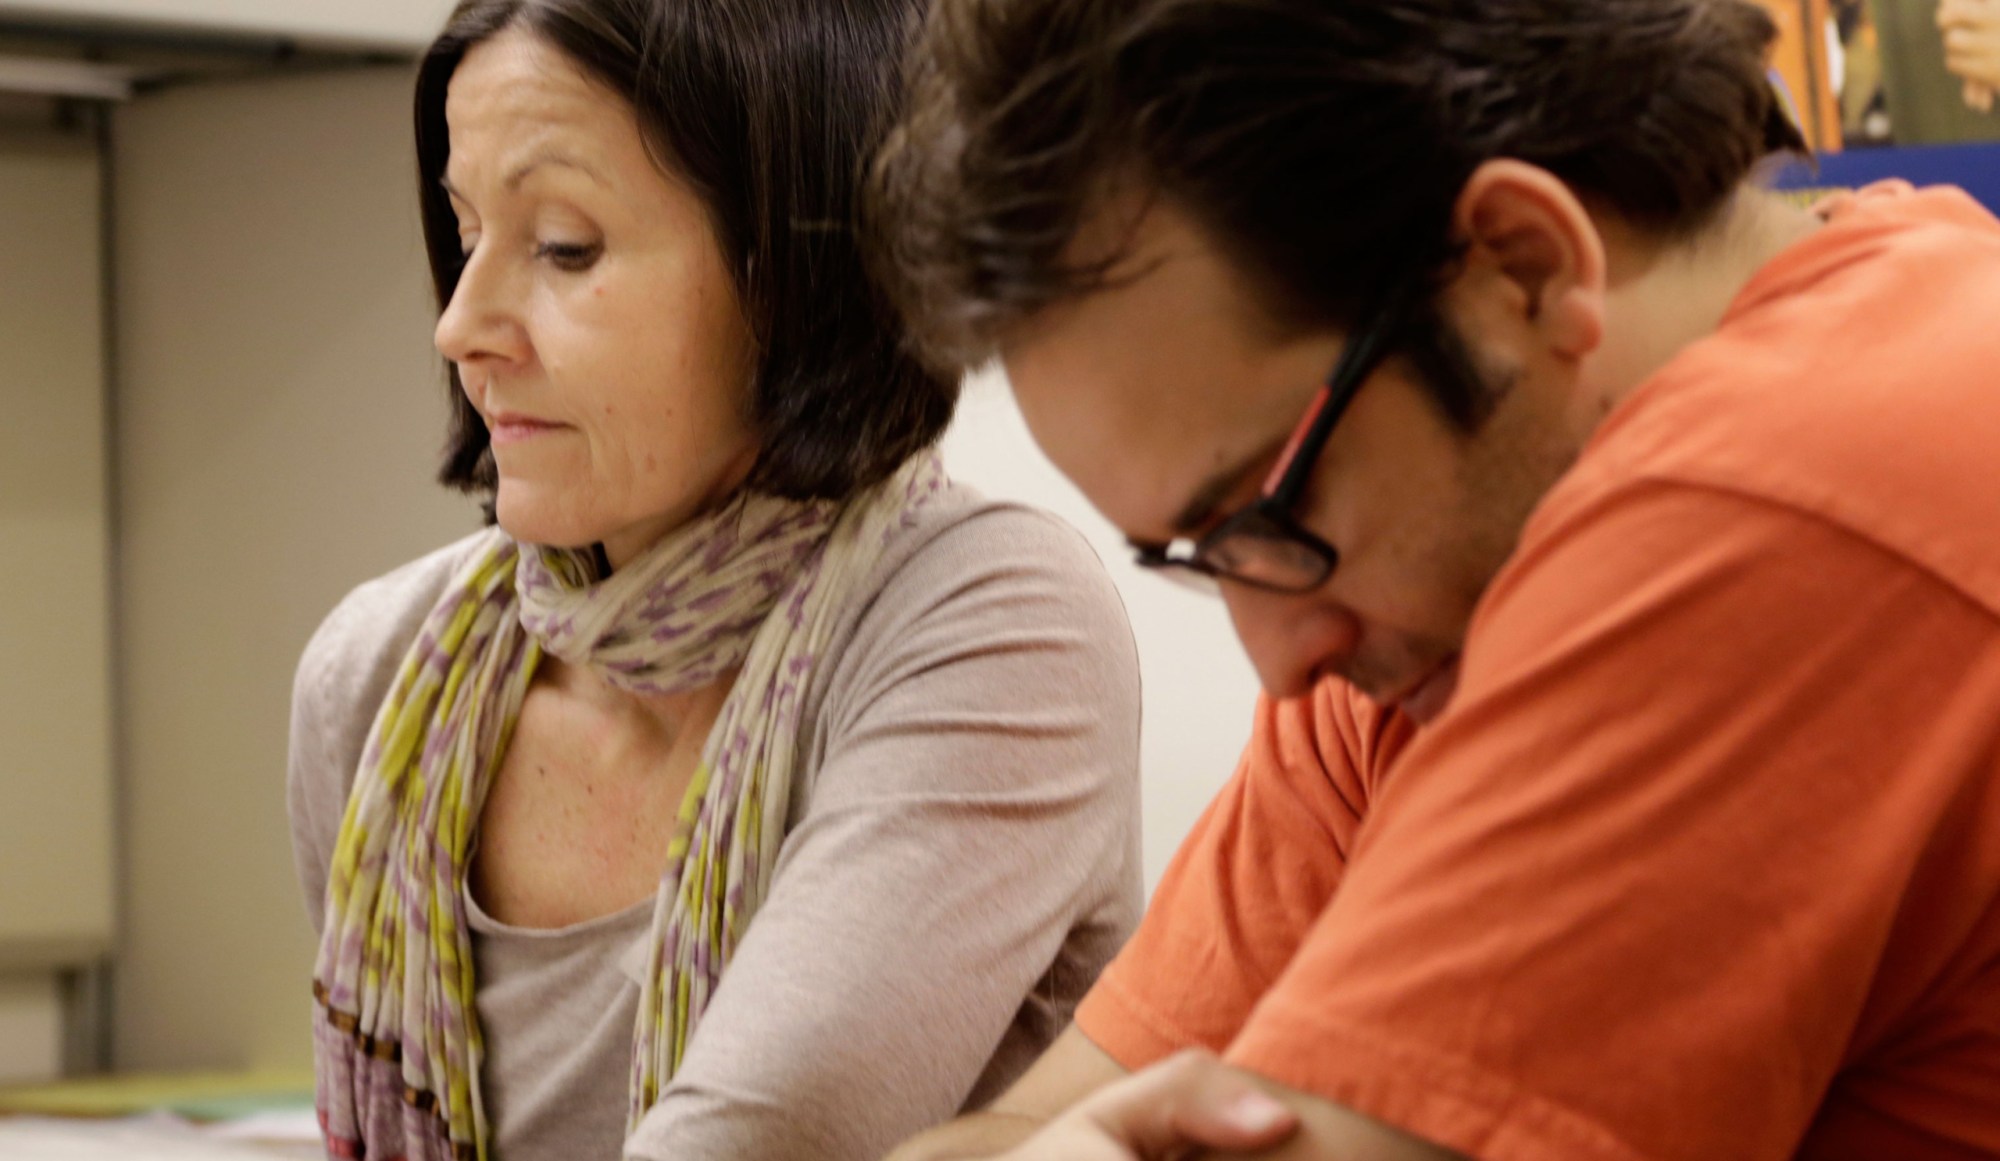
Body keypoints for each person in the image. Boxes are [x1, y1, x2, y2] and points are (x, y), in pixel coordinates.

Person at [868, 0, 2000, 1157]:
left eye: (1275, 503)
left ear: (1522, 264)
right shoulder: (1400, 639)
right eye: (1202, 557)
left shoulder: (1786, 485)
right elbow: (1026, 1127)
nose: (1280, 663)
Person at [286, 1, 1145, 1159]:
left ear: (799, 270)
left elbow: (758, 1139)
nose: (461, 324)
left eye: (564, 247)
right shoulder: (378, 671)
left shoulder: (991, 620)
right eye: (464, 228)